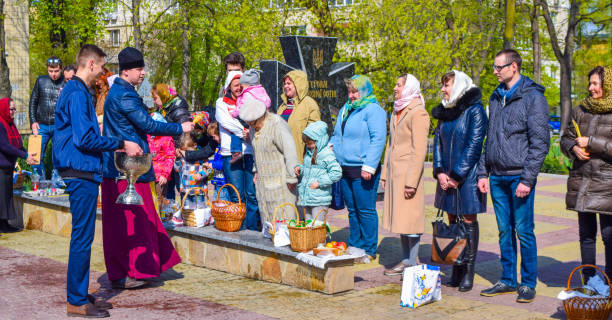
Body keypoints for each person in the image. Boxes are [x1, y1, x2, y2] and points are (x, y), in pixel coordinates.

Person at [52, 44, 143, 318]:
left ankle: (78, 294)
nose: (103, 72)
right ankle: (76, 301)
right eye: (102, 66)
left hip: (79, 169)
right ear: (90, 64)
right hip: (79, 171)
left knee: (83, 236)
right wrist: (119, 143)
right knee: (82, 238)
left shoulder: (76, 91)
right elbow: (84, 139)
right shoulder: (77, 92)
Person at [101, 47, 194, 289]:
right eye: (139, 69)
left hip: (120, 169)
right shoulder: (125, 94)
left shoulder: (120, 92)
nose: (143, 73)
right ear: (127, 70)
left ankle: (127, 271)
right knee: (135, 223)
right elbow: (147, 124)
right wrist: (180, 128)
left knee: (128, 223)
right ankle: (134, 270)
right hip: (130, 170)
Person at [477, 49, 550, 303]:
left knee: (524, 230)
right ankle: (508, 279)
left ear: (514, 67)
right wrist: (482, 172)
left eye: (500, 67)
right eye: (494, 67)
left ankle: (528, 283)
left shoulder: (533, 98)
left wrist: (528, 180)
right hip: (496, 176)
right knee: (504, 231)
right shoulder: (496, 97)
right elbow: (489, 137)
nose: (495, 71)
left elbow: (540, 143)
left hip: (519, 176)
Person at [430, 70, 487, 291]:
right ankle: (456, 264)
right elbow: (436, 143)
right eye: (443, 85)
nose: (443, 89)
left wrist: (456, 175)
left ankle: (468, 272)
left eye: (447, 85)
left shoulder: (475, 110)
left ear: (460, 85)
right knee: (452, 220)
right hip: (446, 177)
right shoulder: (445, 110)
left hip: (467, 178)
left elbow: (474, 146)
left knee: (469, 221)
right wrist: (440, 171)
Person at [560, 66, 612, 281]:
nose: (591, 88)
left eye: (595, 84)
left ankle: (609, 282)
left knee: (609, 237)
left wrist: (591, 142)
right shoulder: (580, 110)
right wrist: (573, 148)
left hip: (607, 183)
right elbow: (565, 138)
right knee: (586, 236)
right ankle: (589, 282)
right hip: (582, 181)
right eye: (590, 83)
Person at [330, 75, 386, 264]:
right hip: (345, 168)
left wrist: (370, 165)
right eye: (350, 91)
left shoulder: (373, 110)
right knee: (352, 210)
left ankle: (369, 249)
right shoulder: (346, 109)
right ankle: (355, 245)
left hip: (364, 169)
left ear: (365, 91)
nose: (352, 95)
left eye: (355, 92)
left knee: (365, 210)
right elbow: (337, 134)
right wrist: (331, 150)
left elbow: (378, 139)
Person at [380, 74, 430, 274]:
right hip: (395, 175)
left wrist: (411, 182)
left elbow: (419, 151)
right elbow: (390, 145)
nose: (395, 88)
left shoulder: (418, 113)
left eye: (398, 84)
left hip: (408, 176)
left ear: (409, 87)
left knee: (411, 220)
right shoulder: (397, 110)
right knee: (401, 219)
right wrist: (384, 174)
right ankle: (405, 260)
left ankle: (412, 262)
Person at [239, 97, 299, 227]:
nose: (251, 127)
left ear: (261, 116)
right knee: (268, 223)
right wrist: (255, 171)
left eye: (253, 124)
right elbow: (256, 151)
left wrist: (292, 177)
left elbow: (290, 150)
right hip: (263, 183)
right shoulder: (254, 126)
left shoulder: (277, 124)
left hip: (281, 182)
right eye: (248, 124)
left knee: (284, 222)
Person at [216, 71, 260, 231]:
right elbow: (225, 121)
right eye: (235, 85)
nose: (239, 88)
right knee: (236, 194)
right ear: (229, 86)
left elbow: (257, 119)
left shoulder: (249, 101)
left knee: (252, 194)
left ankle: (253, 228)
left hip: (248, 152)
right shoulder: (221, 102)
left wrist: (251, 130)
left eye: (241, 86)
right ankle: (238, 228)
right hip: (230, 153)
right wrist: (244, 131)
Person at [0, 98, 36, 233]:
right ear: (4, 109)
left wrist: (27, 154)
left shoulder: (10, 124)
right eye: (11, 109)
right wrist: (24, 155)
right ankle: (2, 225)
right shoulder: (1, 123)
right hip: (1, 166)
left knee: (6, 196)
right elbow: (4, 146)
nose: (14, 111)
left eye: (14, 109)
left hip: (8, 166)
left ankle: (5, 223)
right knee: (2, 197)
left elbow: (18, 144)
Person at [150, 83, 191, 202]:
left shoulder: (178, 107)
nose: (154, 101)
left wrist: (179, 147)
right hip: (166, 150)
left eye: (155, 98)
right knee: (168, 184)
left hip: (177, 150)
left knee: (180, 184)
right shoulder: (163, 108)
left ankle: (186, 211)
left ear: (163, 96)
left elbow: (184, 130)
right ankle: (169, 210)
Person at [295, 121, 342, 220]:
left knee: (317, 227)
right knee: (309, 226)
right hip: (308, 196)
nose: (308, 146)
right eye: (307, 144)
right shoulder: (309, 153)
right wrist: (301, 169)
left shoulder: (326, 154)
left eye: (310, 143)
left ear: (319, 140)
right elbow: (309, 169)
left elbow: (337, 172)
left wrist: (319, 182)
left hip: (319, 198)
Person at [29, 56, 65, 178]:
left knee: (59, 157)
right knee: (35, 156)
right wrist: (33, 122)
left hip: (58, 126)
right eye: (50, 71)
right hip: (41, 125)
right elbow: (33, 102)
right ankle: (39, 181)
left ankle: (57, 184)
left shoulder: (66, 82)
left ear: (61, 69)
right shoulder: (40, 80)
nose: (53, 74)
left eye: (56, 71)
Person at [276, 70, 321, 163]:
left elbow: (315, 135)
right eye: (284, 84)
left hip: (299, 160)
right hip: (281, 160)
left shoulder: (309, 104)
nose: (285, 86)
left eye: (289, 83)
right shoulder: (282, 107)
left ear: (298, 84)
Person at [230, 69, 272, 163]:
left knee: (235, 132)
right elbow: (268, 102)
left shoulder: (247, 94)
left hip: (249, 118)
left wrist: (233, 113)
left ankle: (236, 151)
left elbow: (241, 107)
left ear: (247, 85)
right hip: (260, 119)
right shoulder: (261, 90)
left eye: (242, 86)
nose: (241, 88)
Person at [171, 132, 211, 225]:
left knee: (200, 209)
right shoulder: (182, 157)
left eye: (188, 151)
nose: (186, 154)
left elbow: (208, 170)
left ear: (195, 146)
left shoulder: (201, 156)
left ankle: (202, 221)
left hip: (199, 190)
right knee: (188, 209)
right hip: (186, 189)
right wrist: (177, 159)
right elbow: (177, 169)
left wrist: (201, 175)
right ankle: (189, 222)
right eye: (184, 151)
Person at [148, 112, 176, 213]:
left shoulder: (166, 138)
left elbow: (170, 157)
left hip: (160, 176)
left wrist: (165, 174)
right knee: (148, 199)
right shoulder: (148, 136)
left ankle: (158, 221)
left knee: (158, 198)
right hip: (148, 174)